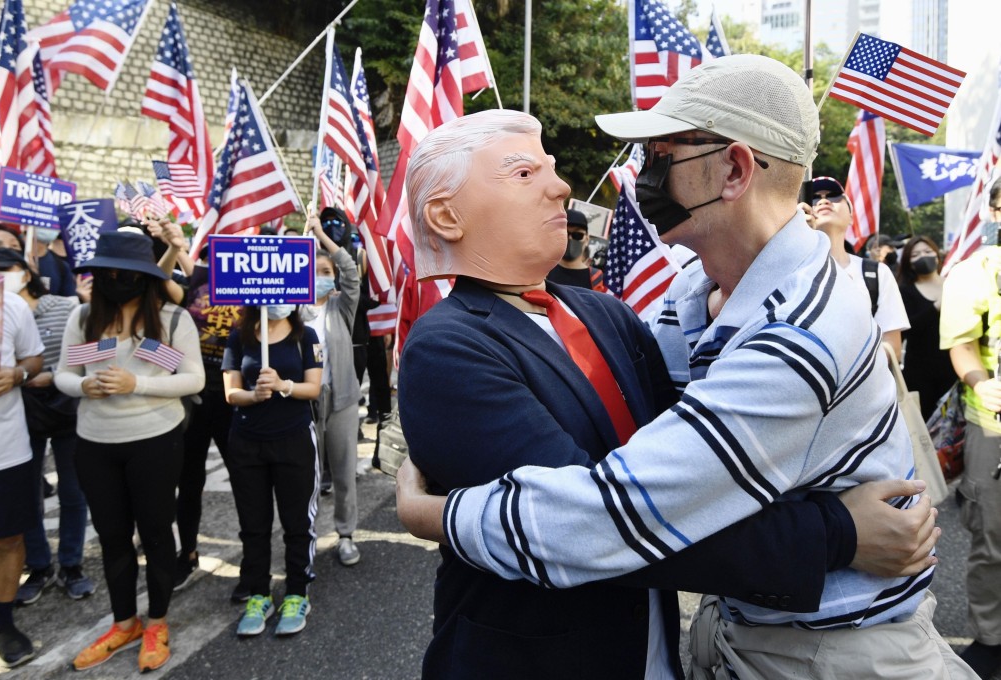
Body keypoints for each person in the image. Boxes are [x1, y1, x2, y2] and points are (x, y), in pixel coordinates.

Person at [398, 56, 971, 678]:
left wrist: (436, 515)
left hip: (821, 653)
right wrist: (837, 532)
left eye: (662, 152)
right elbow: (644, 497)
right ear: (446, 216)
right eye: (524, 171)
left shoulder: (791, 328)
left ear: (733, 169)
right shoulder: (688, 295)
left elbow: (623, 515)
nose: (565, 188)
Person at [56, 231, 204, 672]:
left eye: (127, 274)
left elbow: (194, 379)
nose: (117, 280)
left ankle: (157, 622)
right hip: (95, 445)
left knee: (157, 533)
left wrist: (137, 383)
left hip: (156, 442)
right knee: (113, 537)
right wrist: (83, 385)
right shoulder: (82, 317)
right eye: (108, 273)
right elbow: (64, 372)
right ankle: (125, 623)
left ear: (146, 277)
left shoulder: (173, 319)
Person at [0, 248, 94, 605]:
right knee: (27, 494)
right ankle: (38, 565)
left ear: (28, 270)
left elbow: (92, 350)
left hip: (66, 408)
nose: (1, 275)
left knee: (73, 492)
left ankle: (72, 565)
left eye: (9, 268)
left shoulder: (67, 307)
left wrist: (53, 375)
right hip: (19, 413)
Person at [221, 291, 322, 636]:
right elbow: (230, 391)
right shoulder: (239, 336)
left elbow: (314, 388)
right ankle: (258, 593)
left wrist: (283, 385)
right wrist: (253, 395)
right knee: (253, 524)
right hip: (247, 443)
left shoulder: (306, 336)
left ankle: (296, 592)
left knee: (297, 522)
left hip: (293, 440)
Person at [939, 178, 1001, 678]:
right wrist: (981, 384)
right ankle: (991, 636)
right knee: (994, 539)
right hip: (994, 429)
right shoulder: (974, 271)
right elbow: (961, 345)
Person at [0, 232, 43, 668]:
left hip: (3, 448)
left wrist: (17, 375)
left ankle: (1, 622)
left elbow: (35, 360)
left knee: (7, 537)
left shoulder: (13, 305)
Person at [173, 247, 241, 592]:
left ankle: (254, 558)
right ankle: (186, 553)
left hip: (235, 398)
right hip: (193, 399)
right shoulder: (190, 287)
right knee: (188, 481)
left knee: (244, 480)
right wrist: (172, 245)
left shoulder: (247, 288)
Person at [301, 214, 363, 567]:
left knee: (343, 472)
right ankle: (306, 538)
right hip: (305, 402)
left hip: (341, 401)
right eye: (315, 272)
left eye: (326, 272)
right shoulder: (292, 311)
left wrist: (323, 235)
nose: (321, 277)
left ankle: (346, 535)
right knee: (307, 477)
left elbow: (351, 271)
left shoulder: (342, 307)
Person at [801, 176, 909, 359]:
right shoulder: (787, 270)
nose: (824, 200)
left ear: (851, 217)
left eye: (834, 196)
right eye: (814, 198)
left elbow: (892, 347)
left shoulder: (877, 274)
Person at [897, 235, 955, 421]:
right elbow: (905, 331)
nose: (923, 256)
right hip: (919, 375)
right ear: (908, 262)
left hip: (953, 370)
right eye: (916, 254)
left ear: (937, 256)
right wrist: (934, 308)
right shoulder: (905, 291)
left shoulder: (955, 285)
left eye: (928, 252)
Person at [545, 208, 605, 290]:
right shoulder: (543, 271)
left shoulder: (596, 278)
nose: (570, 238)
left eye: (577, 235)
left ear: (587, 239)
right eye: (564, 233)